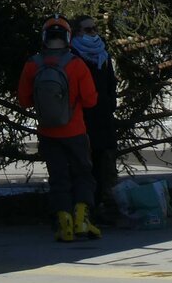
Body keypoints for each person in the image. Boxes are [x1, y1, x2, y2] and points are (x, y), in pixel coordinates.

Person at [18, 16, 100, 242]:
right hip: (75, 132)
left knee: (58, 178)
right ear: (68, 38)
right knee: (83, 174)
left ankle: (64, 224)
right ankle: (82, 220)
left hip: (48, 132)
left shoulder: (32, 64)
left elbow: (24, 101)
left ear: (44, 38)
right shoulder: (76, 64)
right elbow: (91, 100)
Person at [70, 14, 118, 221]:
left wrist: (110, 103)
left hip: (102, 116)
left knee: (100, 164)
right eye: (88, 30)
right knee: (82, 165)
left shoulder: (102, 54)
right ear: (77, 32)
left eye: (95, 29)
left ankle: (96, 206)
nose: (93, 33)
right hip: (81, 118)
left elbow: (110, 84)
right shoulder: (72, 55)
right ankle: (81, 209)